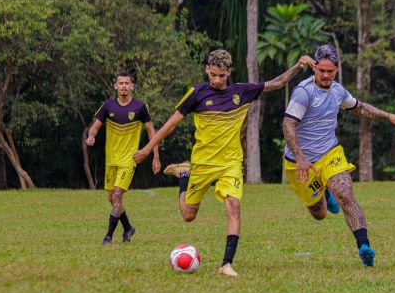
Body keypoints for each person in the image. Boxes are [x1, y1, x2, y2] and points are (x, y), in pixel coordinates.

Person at [133, 49, 315, 277]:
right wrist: (147, 149)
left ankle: (226, 263)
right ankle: (184, 175)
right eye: (213, 75)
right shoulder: (196, 93)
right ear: (207, 70)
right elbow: (170, 124)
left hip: (230, 163)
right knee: (188, 215)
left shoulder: (242, 92)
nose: (217, 80)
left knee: (234, 206)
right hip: (203, 163)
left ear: (228, 72)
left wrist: (298, 66)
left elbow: (276, 84)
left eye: (222, 76)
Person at [282, 44, 395, 267]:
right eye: (321, 70)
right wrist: (302, 159)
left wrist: (388, 115)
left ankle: (364, 246)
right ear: (314, 67)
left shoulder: (337, 91)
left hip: (329, 153)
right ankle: (325, 195)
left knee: (346, 194)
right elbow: (288, 125)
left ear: (337, 70)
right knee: (320, 213)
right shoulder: (304, 92)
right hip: (299, 162)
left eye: (330, 71)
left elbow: (359, 107)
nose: (325, 75)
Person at [86, 71, 160, 244]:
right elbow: (94, 126)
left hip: (129, 159)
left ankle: (108, 237)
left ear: (132, 86)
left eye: (127, 83)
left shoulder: (140, 107)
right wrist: (91, 136)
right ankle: (128, 228)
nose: (124, 86)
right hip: (111, 159)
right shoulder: (108, 106)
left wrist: (155, 156)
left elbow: (152, 132)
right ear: (116, 86)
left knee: (118, 195)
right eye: (121, 83)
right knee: (112, 198)